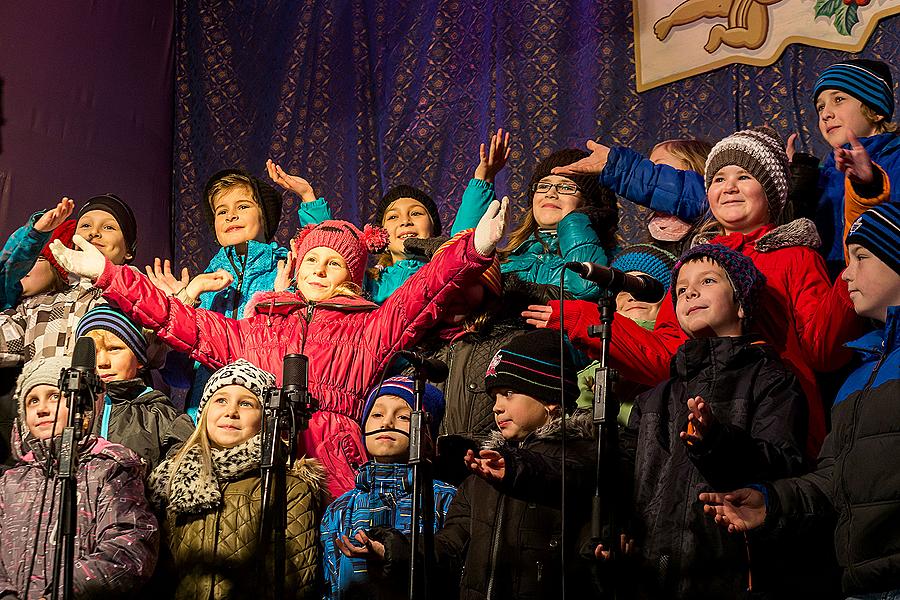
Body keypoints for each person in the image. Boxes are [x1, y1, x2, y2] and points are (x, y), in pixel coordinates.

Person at [51, 200, 510, 497]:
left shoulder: (369, 328)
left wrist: (472, 250)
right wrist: (108, 275)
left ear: (349, 276)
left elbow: (421, 295)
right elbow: (177, 319)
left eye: (332, 263)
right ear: (296, 265)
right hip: (261, 458)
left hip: (334, 464)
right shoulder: (256, 329)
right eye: (311, 258)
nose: (318, 268)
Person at [526, 127, 864, 457]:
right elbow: (666, 357)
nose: (729, 187)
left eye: (744, 177)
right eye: (718, 179)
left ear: (771, 191)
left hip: (776, 426)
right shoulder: (692, 270)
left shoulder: (796, 256)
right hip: (706, 423)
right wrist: (583, 318)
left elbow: (823, 349)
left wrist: (853, 277)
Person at [701, 202, 900, 599]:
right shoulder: (859, 376)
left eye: (861, 257)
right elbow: (833, 479)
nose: (846, 273)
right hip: (861, 584)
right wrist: (770, 501)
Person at [336, 329, 597, 598]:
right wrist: (391, 549)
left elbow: (567, 477)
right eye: (494, 397)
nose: (496, 407)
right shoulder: (481, 477)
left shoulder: (586, 456)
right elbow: (449, 548)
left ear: (551, 399)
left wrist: (516, 470)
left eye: (508, 393)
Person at [622, 243, 808, 597]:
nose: (690, 291)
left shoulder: (771, 380)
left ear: (741, 304)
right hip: (651, 576)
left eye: (707, 281)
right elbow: (627, 473)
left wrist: (717, 443)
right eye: (681, 289)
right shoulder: (656, 396)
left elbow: (783, 463)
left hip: (729, 574)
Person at [268, 128, 509, 304]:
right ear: (380, 236)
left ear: (433, 229)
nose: (405, 220)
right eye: (393, 217)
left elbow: (464, 246)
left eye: (416, 213)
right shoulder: (371, 283)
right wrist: (308, 196)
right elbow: (331, 247)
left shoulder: (438, 269)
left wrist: (483, 181)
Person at [148, 359, 324, 600]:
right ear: (205, 411)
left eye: (245, 403)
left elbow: (297, 579)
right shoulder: (171, 479)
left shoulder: (286, 487)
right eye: (220, 400)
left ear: (266, 418)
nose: (231, 411)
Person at [0, 355, 159, 599]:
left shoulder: (109, 468)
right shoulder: (10, 482)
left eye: (55, 396)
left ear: (80, 406)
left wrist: (65, 590)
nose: (42, 409)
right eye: (32, 401)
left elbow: (130, 544)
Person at [321, 376, 456, 599]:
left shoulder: (443, 498)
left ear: (425, 434)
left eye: (403, 416)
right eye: (376, 414)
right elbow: (329, 584)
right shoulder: (340, 508)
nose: (387, 423)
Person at [0, 194, 138, 367]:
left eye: (108, 227)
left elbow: (158, 344)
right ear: (72, 244)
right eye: (86, 225)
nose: (93, 233)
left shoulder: (137, 298)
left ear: (129, 250)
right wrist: (34, 236)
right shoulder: (38, 305)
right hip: (49, 392)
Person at [75, 305, 194, 472]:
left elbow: (184, 476)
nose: (102, 362)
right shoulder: (70, 410)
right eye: (92, 352)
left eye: (114, 349)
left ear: (139, 358)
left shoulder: (160, 415)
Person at [574, 243, 677, 425]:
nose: (633, 295)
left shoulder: (679, 355)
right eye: (625, 287)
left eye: (645, 287)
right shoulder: (594, 362)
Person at [499, 148, 618, 301]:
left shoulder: (613, 260)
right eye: (543, 186)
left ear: (588, 204)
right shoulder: (507, 258)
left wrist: (574, 221)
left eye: (566, 187)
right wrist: (482, 182)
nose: (551, 193)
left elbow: (587, 288)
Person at [0, 197, 75, 309]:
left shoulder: (68, 307)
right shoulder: (7, 301)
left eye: (37, 259)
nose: (25, 267)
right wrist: (36, 234)